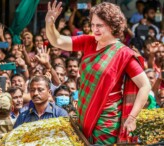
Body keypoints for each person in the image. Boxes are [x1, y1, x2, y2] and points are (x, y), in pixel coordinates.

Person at [45, 1, 151, 145]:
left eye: (99, 25)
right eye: (93, 24)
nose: (94, 29)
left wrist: (131, 118)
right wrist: (49, 23)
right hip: (84, 115)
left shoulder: (124, 53)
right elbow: (57, 40)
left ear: (113, 25)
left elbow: (145, 86)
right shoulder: (88, 42)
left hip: (106, 123)